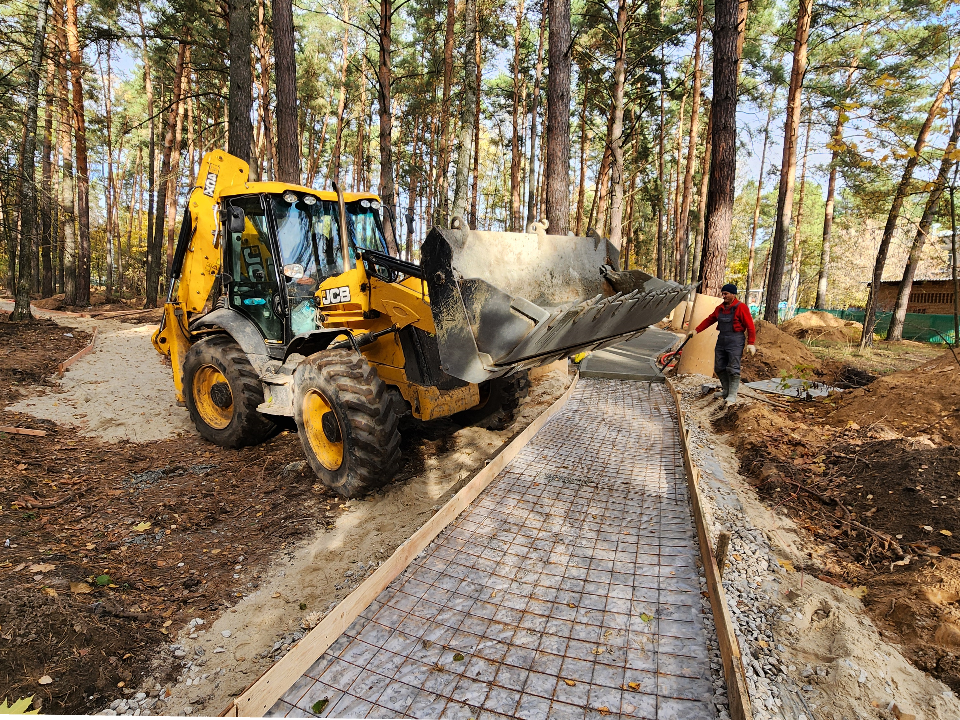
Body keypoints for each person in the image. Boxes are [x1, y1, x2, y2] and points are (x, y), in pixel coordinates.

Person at [687, 283, 756, 404]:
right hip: (722, 338)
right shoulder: (720, 308)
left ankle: (732, 395)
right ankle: (726, 390)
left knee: (733, 367)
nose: (723, 296)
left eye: (726, 294)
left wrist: (751, 343)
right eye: (722, 293)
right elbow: (710, 319)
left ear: (733, 294)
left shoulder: (741, 307)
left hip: (736, 340)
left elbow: (750, 326)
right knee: (719, 367)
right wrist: (696, 330)